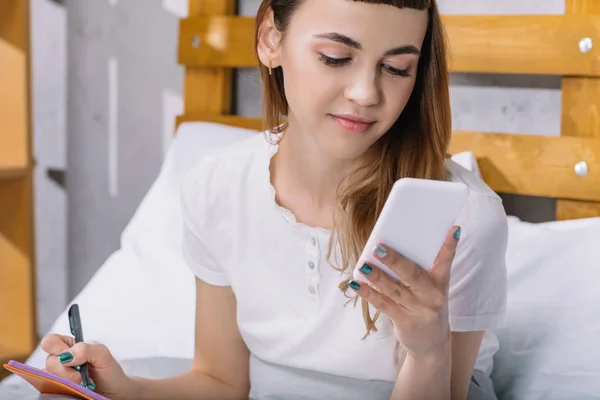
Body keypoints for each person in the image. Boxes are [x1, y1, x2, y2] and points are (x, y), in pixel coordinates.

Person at [40, 0, 508, 399]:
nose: (366, 94)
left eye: (396, 68)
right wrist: (122, 389)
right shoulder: (218, 186)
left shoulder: (463, 216)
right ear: (269, 39)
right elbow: (221, 380)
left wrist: (428, 352)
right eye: (334, 57)